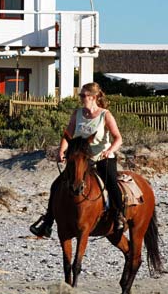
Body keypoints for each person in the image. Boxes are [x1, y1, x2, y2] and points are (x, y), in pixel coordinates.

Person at [29, 82, 125, 238]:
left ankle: (119, 216)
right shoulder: (78, 113)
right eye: (80, 95)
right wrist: (61, 151)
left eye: (84, 96)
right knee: (57, 185)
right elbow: (68, 134)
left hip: (100, 158)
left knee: (112, 184)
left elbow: (118, 138)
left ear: (93, 97)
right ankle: (47, 222)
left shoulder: (104, 115)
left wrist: (109, 151)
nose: (81, 98)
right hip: (80, 159)